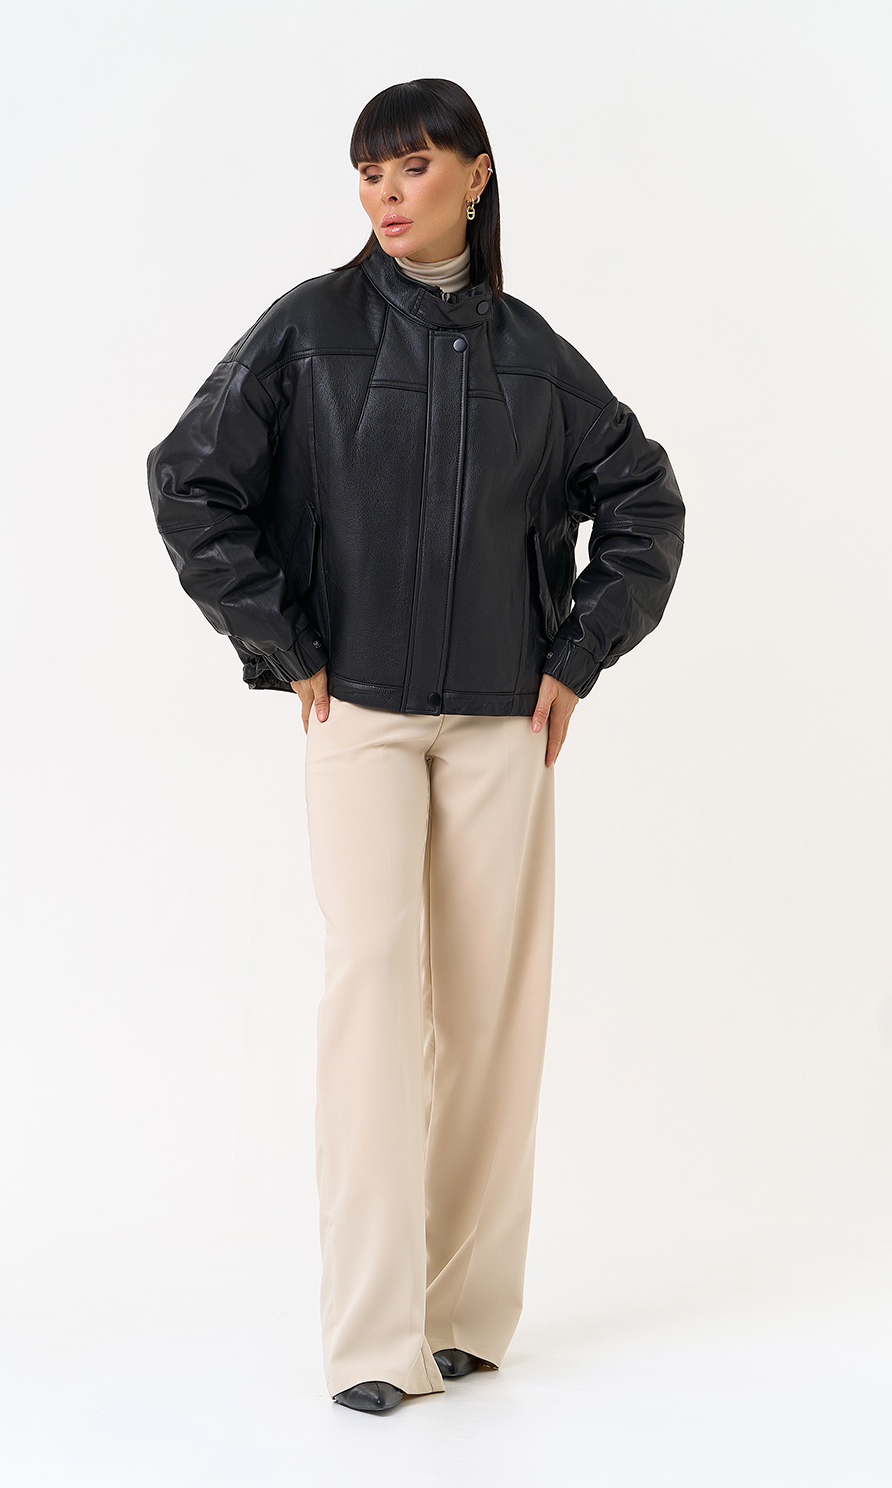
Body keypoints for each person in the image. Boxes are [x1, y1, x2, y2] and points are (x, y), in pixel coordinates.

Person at [147, 77, 686, 1414]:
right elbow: (189, 475)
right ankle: (373, 1335)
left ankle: (465, 1314)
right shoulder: (312, 329)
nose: (388, 195)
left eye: (415, 167)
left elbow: (645, 500)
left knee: (492, 1013)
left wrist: (575, 657)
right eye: (370, 174)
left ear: (477, 175)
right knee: (375, 991)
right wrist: (284, 639)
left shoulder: (533, 354)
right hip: (363, 716)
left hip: (503, 720)